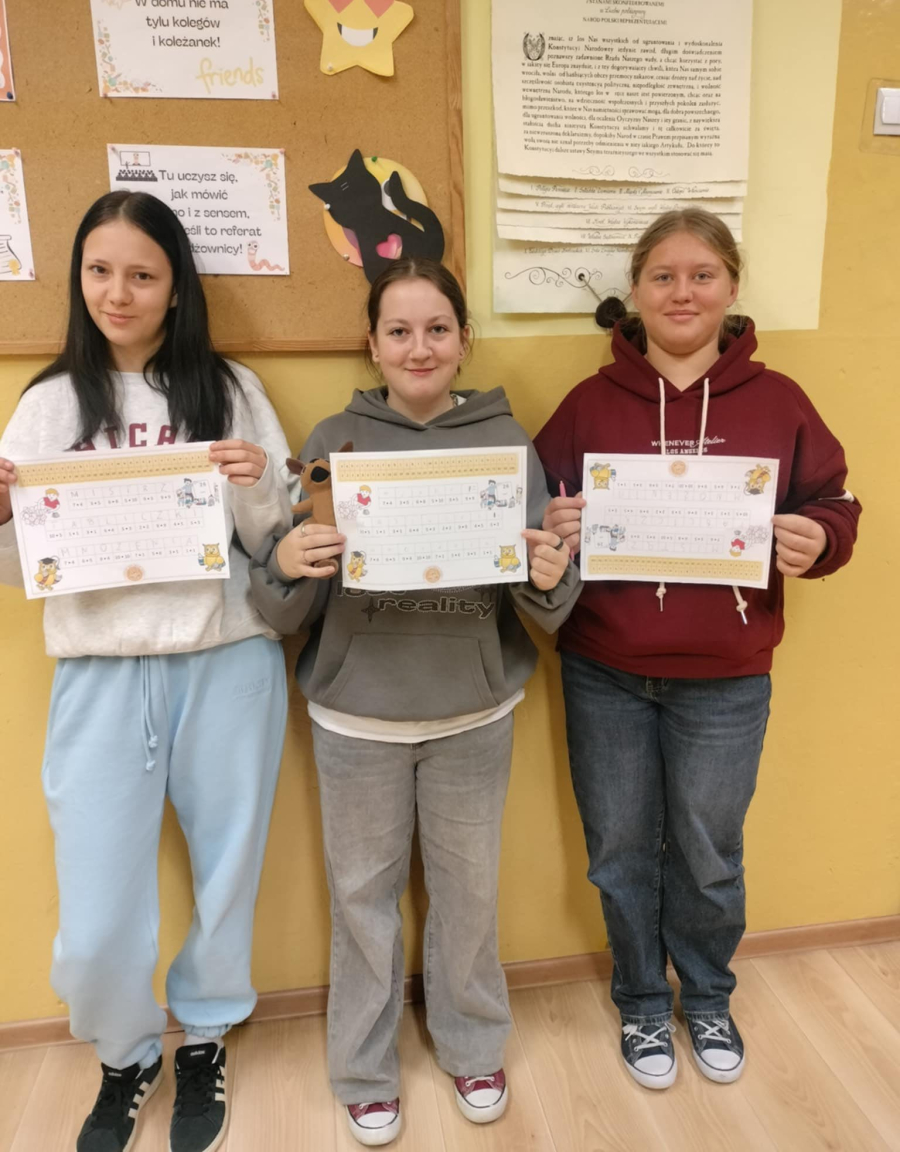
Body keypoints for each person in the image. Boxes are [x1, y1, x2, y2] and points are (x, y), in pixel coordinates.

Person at [249, 258, 579, 1146]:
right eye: (399, 331)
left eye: (437, 329)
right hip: (355, 715)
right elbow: (288, 600)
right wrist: (286, 565)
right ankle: (363, 1067)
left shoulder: (506, 442)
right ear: (372, 343)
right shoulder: (334, 440)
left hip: (474, 712)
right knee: (361, 899)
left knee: (469, 894)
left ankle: (473, 1044)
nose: (419, 347)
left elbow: (546, 598)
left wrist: (553, 569)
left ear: (465, 339)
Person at [535, 209, 860, 1090]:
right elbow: (536, 516)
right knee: (619, 851)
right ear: (636, 292)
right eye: (664, 276)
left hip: (726, 678)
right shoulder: (589, 403)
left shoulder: (780, 400)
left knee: (711, 854)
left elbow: (836, 504)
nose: (683, 292)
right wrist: (555, 524)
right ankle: (643, 1001)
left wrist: (820, 538)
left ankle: (708, 995)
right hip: (604, 670)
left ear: (732, 287)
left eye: (702, 275)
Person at [0, 191, 294, 1152]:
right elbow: (23, 572)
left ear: (176, 287)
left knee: (229, 870)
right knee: (94, 913)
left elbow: (277, 543)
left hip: (228, 660)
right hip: (100, 671)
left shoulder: (231, 388)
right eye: (99, 270)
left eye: (141, 274)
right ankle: (124, 1055)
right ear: (77, 278)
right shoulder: (48, 406)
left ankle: (206, 1034)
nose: (117, 293)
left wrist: (257, 487)